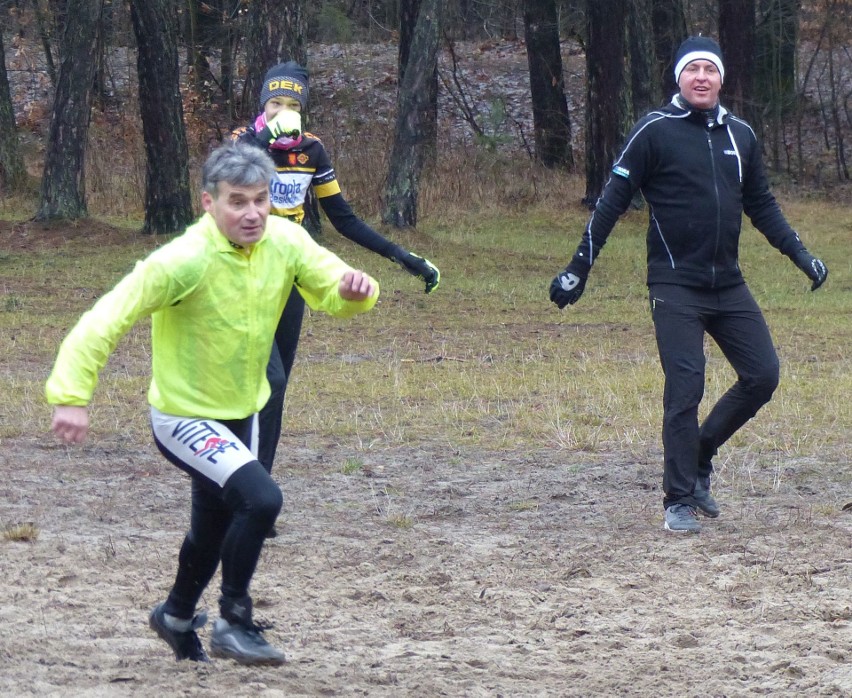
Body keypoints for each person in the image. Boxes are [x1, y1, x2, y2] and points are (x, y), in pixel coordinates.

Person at [45, 142, 379, 663]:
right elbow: (106, 318)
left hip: (243, 412)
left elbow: (333, 288)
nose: (252, 214)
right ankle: (233, 620)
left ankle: (175, 616)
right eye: (238, 202)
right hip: (184, 415)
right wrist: (71, 395)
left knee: (213, 529)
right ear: (208, 203)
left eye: (261, 201)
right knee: (262, 501)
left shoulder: (286, 240)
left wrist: (358, 292)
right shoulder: (183, 260)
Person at [548, 36, 828, 533]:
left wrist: (801, 255)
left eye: (710, 70)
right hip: (674, 285)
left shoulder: (741, 135)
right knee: (686, 389)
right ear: (678, 78)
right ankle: (678, 498)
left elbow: (761, 204)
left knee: (763, 375)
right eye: (693, 69)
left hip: (728, 285)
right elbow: (612, 202)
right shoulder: (655, 131)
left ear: (722, 79)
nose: (702, 77)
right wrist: (578, 268)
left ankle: (698, 453)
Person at [233, 61, 440, 491]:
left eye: (292, 104)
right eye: (275, 103)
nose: (282, 111)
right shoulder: (243, 141)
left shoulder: (312, 150)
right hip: (240, 270)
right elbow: (225, 192)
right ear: (262, 104)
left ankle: (255, 488)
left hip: (289, 271)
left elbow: (343, 218)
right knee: (264, 379)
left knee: (276, 385)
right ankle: (240, 487)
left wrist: (402, 256)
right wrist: (262, 143)